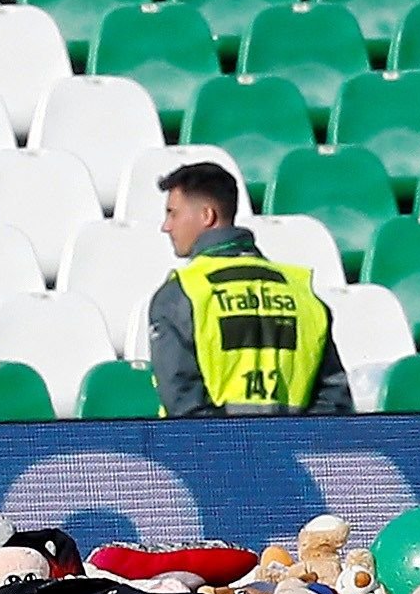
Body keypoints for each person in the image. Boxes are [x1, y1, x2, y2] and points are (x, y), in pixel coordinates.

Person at [148, 162, 353, 416]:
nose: (166, 226)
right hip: (291, 452)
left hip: (214, 454)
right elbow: (333, 403)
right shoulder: (301, 292)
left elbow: (185, 408)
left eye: (173, 213)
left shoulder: (180, 294)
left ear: (206, 216)